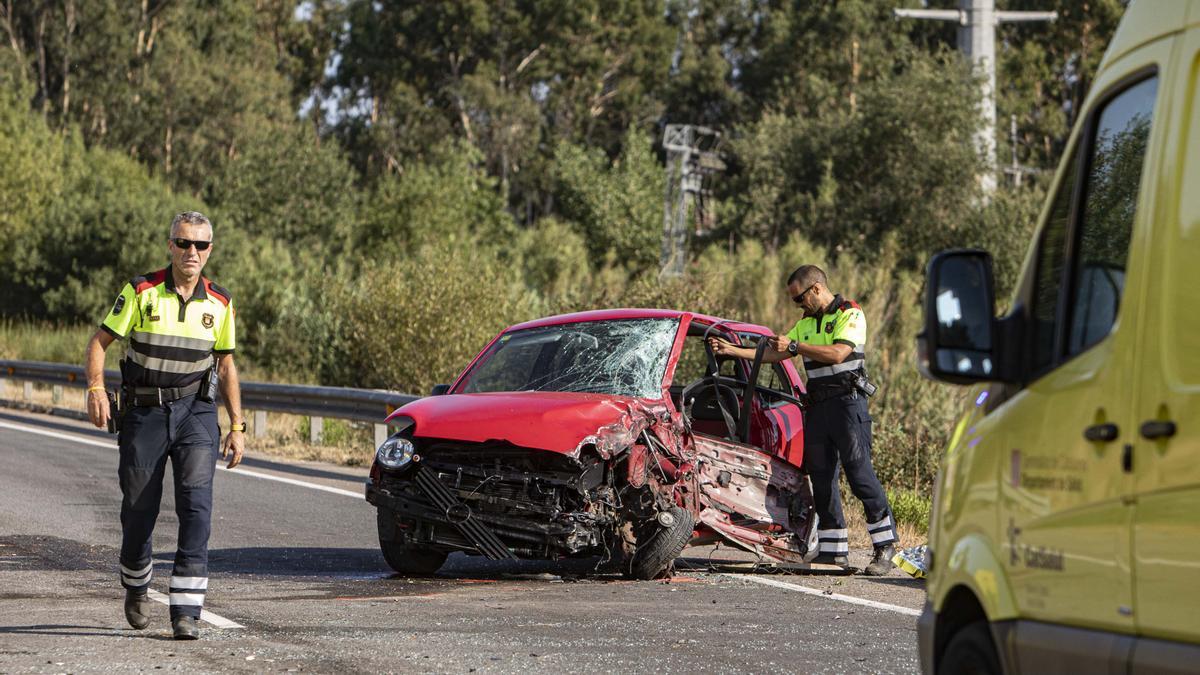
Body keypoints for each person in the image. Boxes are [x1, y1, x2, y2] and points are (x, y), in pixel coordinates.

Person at [83, 211, 245, 639]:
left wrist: (237, 426)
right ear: (170, 246)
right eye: (184, 243)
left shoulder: (221, 303)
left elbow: (226, 365)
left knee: (196, 505)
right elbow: (99, 343)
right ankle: (136, 584)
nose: (192, 252)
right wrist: (96, 388)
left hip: (196, 411)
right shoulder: (141, 291)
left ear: (211, 250)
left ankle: (186, 609)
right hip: (144, 411)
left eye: (201, 245)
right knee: (139, 509)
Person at [708, 264, 897, 576]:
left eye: (799, 299)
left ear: (816, 289)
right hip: (819, 409)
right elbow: (775, 354)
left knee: (860, 475)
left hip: (848, 405)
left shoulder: (850, 314)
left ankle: (885, 546)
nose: (798, 305)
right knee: (821, 479)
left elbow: (838, 353)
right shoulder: (806, 323)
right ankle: (833, 551)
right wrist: (733, 350)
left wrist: (795, 346)